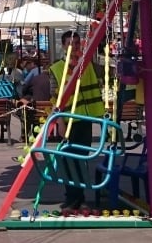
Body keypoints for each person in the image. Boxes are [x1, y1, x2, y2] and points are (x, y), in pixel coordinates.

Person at [47, 30, 104, 211]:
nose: (75, 48)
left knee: (81, 160)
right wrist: (61, 124)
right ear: (64, 46)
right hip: (69, 120)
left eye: (78, 44)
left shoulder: (88, 66)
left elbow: (106, 74)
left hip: (85, 120)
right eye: (71, 44)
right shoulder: (57, 69)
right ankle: (72, 198)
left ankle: (79, 198)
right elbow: (55, 99)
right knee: (68, 160)